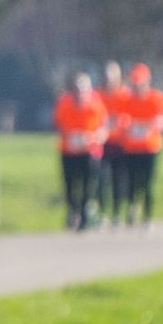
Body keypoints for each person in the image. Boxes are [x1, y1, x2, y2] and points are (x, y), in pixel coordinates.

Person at [112, 63, 163, 227]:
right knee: (130, 182)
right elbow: (120, 120)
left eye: (140, 84)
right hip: (131, 148)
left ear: (147, 82)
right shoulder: (126, 99)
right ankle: (131, 210)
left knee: (148, 183)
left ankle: (147, 216)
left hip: (150, 147)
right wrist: (129, 125)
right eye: (134, 84)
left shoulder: (157, 98)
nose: (137, 88)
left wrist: (149, 125)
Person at [54, 71, 108, 232]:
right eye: (77, 87)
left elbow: (103, 128)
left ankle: (84, 217)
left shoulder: (96, 105)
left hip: (89, 152)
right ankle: (73, 210)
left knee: (87, 185)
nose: (80, 91)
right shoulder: (64, 104)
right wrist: (72, 136)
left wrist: (93, 138)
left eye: (83, 87)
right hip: (69, 151)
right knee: (70, 186)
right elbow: (59, 125)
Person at [97, 59, 130, 223]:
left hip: (120, 144)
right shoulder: (97, 96)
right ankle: (102, 212)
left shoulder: (125, 95)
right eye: (106, 76)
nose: (108, 79)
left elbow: (131, 117)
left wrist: (119, 121)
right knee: (101, 179)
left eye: (112, 76)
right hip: (102, 144)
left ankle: (117, 212)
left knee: (119, 179)